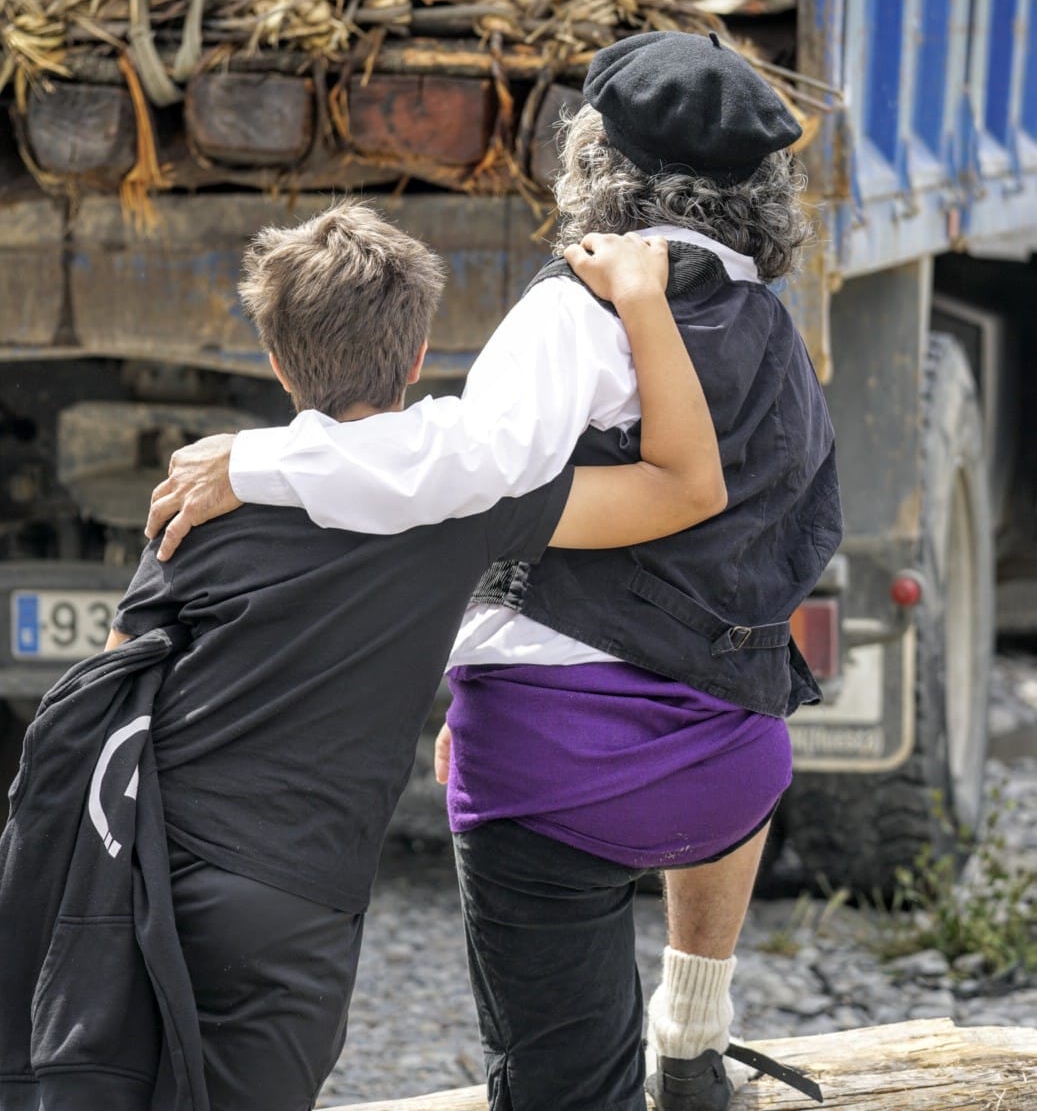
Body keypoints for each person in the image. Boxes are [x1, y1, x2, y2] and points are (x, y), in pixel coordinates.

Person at [147, 32, 842, 1111]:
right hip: (734, 775)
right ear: (760, 188)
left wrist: (257, 456)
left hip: (558, 769)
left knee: (563, 1089)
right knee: (726, 688)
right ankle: (693, 1029)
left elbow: (464, 464)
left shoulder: (581, 306)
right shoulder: (770, 332)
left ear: (594, 163)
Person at [6, 201, 723, 1111]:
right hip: (289, 894)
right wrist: (644, 305)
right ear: (419, 357)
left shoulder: (206, 494)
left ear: (273, 359)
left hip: (144, 862)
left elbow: (106, 687)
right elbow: (685, 486)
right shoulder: (466, 500)